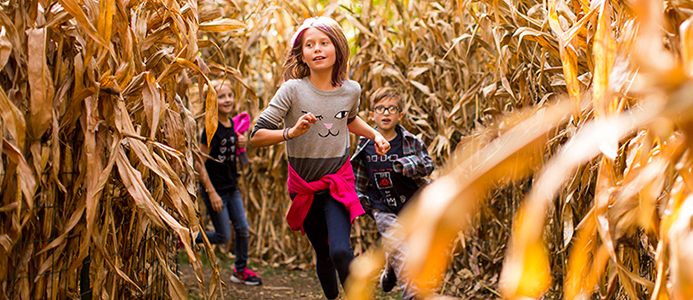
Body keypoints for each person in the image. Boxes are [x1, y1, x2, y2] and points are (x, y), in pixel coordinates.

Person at [249, 17, 390, 300]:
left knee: (340, 250)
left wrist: (375, 135)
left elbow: (348, 120)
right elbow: (256, 135)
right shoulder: (292, 90)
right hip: (304, 186)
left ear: (337, 48)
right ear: (302, 54)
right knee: (324, 254)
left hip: (338, 181)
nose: (317, 49)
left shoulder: (351, 90)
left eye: (324, 43)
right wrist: (291, 131)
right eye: (309, 45)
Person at [351, 86, 434, 300]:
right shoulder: (365, 144)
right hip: (383, 208)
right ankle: (412, 294)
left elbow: (428, 164)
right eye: (380, 108)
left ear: (401, 115)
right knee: (399, 247)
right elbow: (358, 176)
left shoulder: (411, 141)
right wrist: (360, 201)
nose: (386, 113)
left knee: (408, 249)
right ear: (371, 115)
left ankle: (389, 271)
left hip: (413, 206)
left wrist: (405, 165)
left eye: (392, 109)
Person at [195, 79, 262, 286]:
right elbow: (199, 163)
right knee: (223, 235)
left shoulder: (233, 124)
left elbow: (233, 152)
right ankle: (185, 237)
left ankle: (240, 271)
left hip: (232, 188)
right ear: (212, 101)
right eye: (221, 96)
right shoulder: (210, 128)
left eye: (229, 95)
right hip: (215, 191)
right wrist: (211, 192)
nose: (227, 100)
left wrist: (242, 141)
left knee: (242, 229)